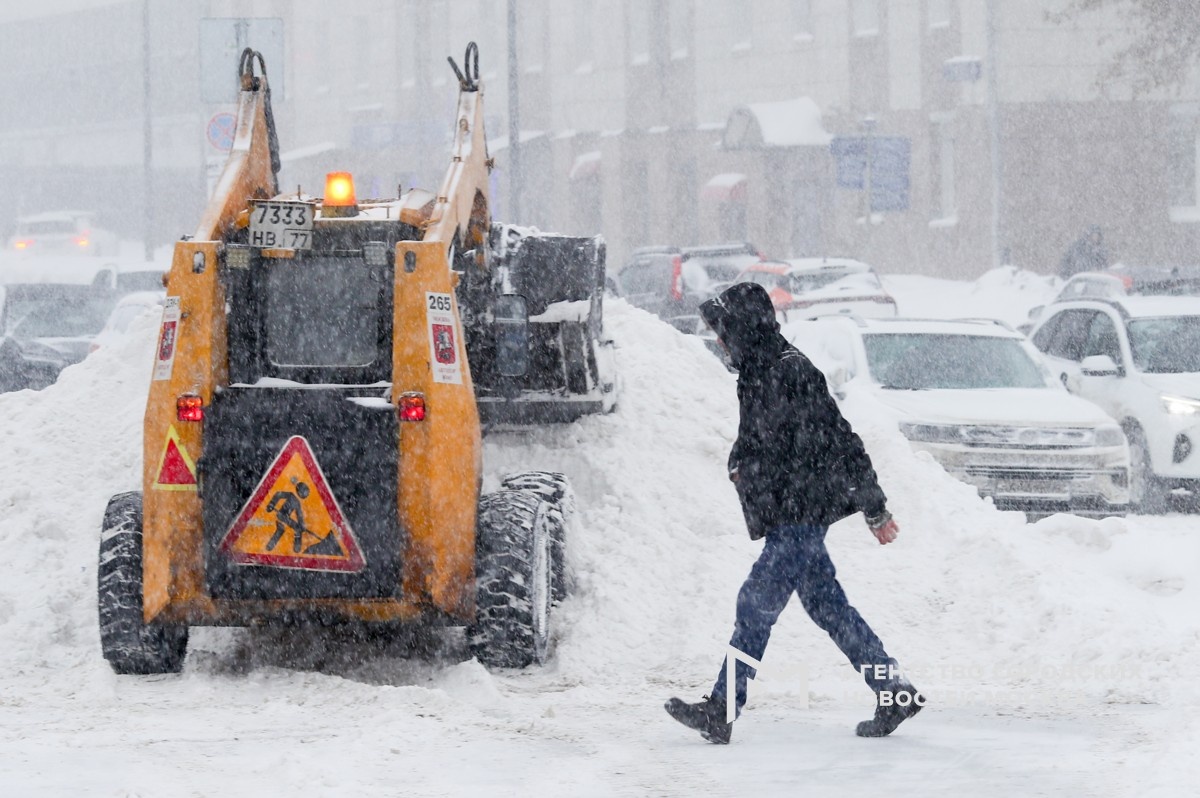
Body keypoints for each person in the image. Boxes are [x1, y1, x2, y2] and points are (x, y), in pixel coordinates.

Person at [664, 282, 923, 745]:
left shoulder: (792, 371)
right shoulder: (758, 371)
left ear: (746, 329)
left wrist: (875, 507)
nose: (721, 342)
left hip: (801, 513)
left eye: (725, 332)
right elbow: (768, 442)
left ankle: (721, 711)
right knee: (829, 607)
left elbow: (843, 439)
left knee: (755, 603)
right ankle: (893, 689)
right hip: (790, 512)